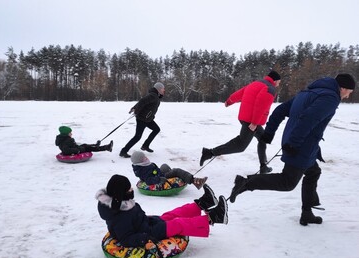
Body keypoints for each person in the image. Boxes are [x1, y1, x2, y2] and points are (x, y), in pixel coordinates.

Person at [229, 73, 356, 226]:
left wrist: (269, 134)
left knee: (313, 171)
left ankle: (307, 213)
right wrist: (294, 143)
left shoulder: (307, 93)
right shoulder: (330, 98)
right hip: (301, 145)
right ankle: (245, 183)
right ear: (342, 88)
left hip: (302, 143)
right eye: (349, 91)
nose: (348, 96)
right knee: (287, 182)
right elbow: (308, 119)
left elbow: (280, 110)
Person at [96, 174, 228, 247]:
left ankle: (204, 203)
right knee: (177, 224)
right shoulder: (119, 217)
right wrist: (145, 239)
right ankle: (214, 218)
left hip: (146, 224)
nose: (132, 190)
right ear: (120, 193)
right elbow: (125, 238)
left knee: (171, 215)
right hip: (148, 233)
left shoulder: (121, 203)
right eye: (129, 189)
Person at [200, 70, 282, 174]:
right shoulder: (270, 89)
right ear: (274, 80)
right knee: (241, 145)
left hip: (245, 117)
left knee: (263, 139)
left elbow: (241, 92)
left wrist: (229, 101)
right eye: (279, 82)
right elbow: (261, 105)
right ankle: (210, 152)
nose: (279, 84)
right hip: (251, 120)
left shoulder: (256, 83)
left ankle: (263, 166)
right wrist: (254, 122)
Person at [119, 82, 165, 158]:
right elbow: (142, 101)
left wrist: (134, 108)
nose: (164, 90)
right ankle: (123, 151)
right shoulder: (153, 96)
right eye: (163, 89)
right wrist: (136, 111)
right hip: (142, 119)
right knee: (137, 137)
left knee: (156, 129)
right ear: (159, 89)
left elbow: (143, 101)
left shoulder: (155, 96)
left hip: (148, 119)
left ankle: (145, 146)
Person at [130, 151, 208, 190]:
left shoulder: (144, 165)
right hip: (160, 178)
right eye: (144, 158)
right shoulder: (143, 170)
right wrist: (159, 179)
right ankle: (195, 181)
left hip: (159, 173)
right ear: (139, 161)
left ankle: (174, 179)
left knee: (164, 166)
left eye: (145, 156)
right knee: (176, 171)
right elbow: (148, 180)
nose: (146, 158)